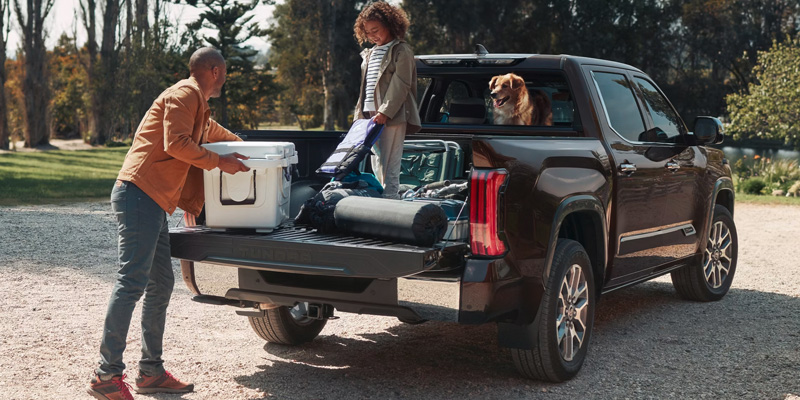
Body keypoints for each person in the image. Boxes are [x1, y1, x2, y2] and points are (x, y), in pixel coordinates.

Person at [87, 47, 250, 400]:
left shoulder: (198, 105)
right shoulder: (185, 94)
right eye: (223, 72)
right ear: (214, 70)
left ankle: (151, 372)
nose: (224, 78)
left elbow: (215, 134)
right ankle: (106, 375)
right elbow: (176, 143)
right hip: (138, 193)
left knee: (160, 282)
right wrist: (220, 165)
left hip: (153, 200)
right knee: (131, 282)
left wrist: (255, 151)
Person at [353, 1, 421, 199]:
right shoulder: (370, 53)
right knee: (377, 161)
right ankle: (382, 200)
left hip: (391, 115)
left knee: (390, 163)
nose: (373, 36)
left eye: (376, 30)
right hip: (369, 117)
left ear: (390, 25)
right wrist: (360, 115)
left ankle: (390, 201)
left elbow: (401, 84)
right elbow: (365, 87)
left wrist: (385, 111)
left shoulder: (401, 50)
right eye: (368, 33)